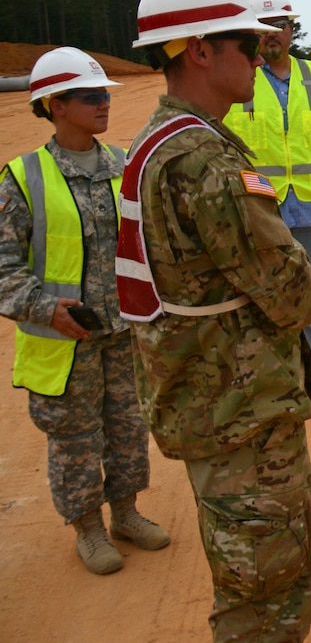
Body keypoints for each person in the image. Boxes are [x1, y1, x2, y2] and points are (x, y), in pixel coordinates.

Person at [117, 0, 311, 639]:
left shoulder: (156, 142)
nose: (262, 51)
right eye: (246, 42)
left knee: (250, 580)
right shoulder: (204, 161)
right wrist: (309, 288)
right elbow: (294, 295)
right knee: (268, 590)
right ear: (201, 51)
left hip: (212, 404)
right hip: (241, 413)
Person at [0, 47, 169, 575]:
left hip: (124, 332)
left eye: (104, 96)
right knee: (75, 438)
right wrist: (44, 308)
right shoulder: (23, 178)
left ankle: (126, 514)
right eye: (90, 96)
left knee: (127, 427)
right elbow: (3, 266)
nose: (103, 104)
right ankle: (88, 528)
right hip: (65, 339)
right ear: (55, 105)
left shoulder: (125, 166)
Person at [223, 0, 311, 391]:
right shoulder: (237, 79)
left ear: (291, 29)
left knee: (302, 283)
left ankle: (306, 362)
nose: (271, 34)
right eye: (263, 26)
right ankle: (262, 367)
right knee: (254, 286)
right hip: (255, 204)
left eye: (279, 24)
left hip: (304, 201)